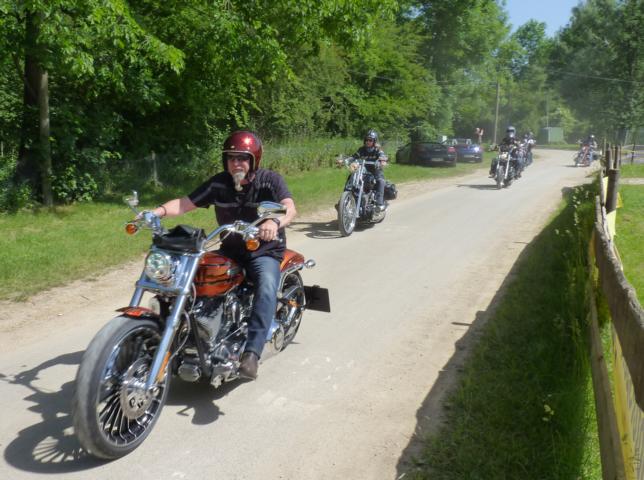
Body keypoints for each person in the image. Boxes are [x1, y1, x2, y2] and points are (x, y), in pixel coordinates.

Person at [148, 130, 296, 380]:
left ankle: (251, 353)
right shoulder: (219, 183)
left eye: (243, 158)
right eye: (231, 158)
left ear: (254, 160)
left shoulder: (270, 180)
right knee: (194, 278)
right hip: (230, 250)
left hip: (264, 251)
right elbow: (184, 204)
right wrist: (156, 212)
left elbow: (289, 207)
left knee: (267, 286)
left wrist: (274, 222)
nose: (236, 163)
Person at [347, 129, 388, 210]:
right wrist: (346, 160)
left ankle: (379, 204)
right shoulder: (361, 149)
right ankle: (345, 199)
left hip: (375, 170)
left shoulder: (377, 150)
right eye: (366, 140)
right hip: (364, 170)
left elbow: (382, 156)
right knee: (351, 176)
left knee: (380, 181)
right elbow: (354, 157)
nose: (368, 142)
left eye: (370, 140)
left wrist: (382, 161)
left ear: (374, 141)